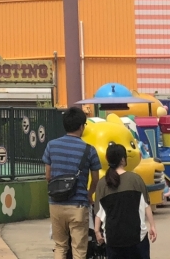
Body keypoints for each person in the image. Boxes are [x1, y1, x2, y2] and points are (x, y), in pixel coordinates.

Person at [42, 107, 101, 259]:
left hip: (56, 204)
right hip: (79, 205)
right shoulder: (90, 150)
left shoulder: (51, 145)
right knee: (79, 249)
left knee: (60, 246)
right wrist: (89, 194)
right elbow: (96, 180)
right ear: (82, 126)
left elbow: (48, 176)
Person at [94, 143, 157, 259]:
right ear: (123, 160)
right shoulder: (135, 179)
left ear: (107, 159)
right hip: (137, 238)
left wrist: (97, 231)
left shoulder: (102, 183)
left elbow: (99, 212)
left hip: (113, 239)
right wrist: (152, 226)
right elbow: (146, 205)